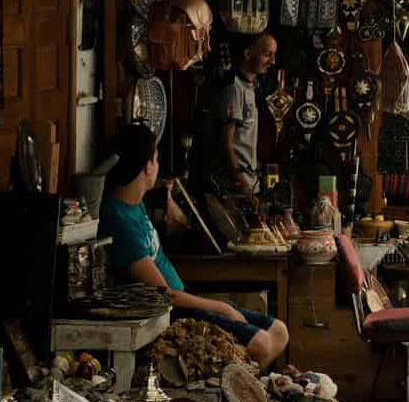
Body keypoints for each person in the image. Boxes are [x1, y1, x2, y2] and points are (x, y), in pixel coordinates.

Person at [100, 124, 290, 366]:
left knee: (279, 331)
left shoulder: (134, 204)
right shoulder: (119, 219)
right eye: (156, 159)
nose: (157, 166)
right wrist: (221, 307)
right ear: (147, 167)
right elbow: (163, 296)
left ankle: (241, 381)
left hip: (185, 301)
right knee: (261, 344)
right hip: (173, 313)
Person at [208, 33, 276, 196]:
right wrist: (241, 183)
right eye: (267, 54)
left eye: (273, 56)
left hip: (250, 183)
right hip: (234, 188)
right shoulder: (234, 88)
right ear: (247, 54)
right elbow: (226, 142)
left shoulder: (251, 88)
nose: (272, 61)